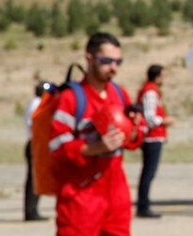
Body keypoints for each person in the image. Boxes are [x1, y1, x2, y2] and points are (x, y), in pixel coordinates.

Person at [49, 32, 144, 236]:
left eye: (118, 62)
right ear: (89, 58)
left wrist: (134, 127)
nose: (114, 68)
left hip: (115, 195)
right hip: (80, 199)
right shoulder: (70, 99)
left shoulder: (120, 95)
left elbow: (132, 140)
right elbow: (57, 147)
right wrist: (95, 148)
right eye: (107, 61)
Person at [136, 64, 176, 218]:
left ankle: (144, 204)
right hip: (152, 137)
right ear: (157, 76)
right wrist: (165, 121)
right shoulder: (150, 92)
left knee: (148, 172)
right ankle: (143, 205)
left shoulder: (151, 90)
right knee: (148, 173)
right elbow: (150, 117)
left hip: (153, 136)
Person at [23, 81, 49, 222]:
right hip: (36, 143)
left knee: (34, 179)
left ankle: (32, 210)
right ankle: (31, 211)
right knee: (34, 179)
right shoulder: (38, 104)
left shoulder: (34, 103)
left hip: (34, 142)